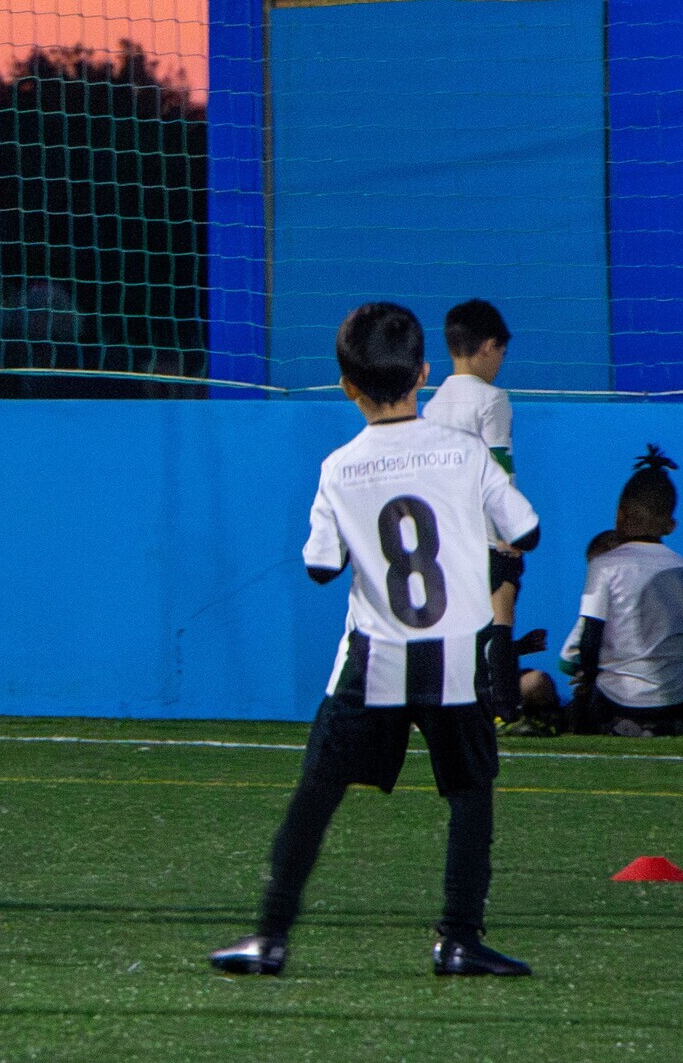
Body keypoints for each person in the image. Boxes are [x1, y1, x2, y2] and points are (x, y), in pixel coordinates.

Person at [210, 301, 541, 981]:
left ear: (346, 386)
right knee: (470, 792)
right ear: (423, 373)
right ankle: (459, 938)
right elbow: (525, 529)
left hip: (375, 657)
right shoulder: (466, 452)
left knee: (317, 792)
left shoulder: (339, 466)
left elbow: (321, 565)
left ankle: (270, 936)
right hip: (456, 653)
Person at [421, 300, 525, 719]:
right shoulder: (492, 398)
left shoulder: (433, 405)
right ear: (487, 347)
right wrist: (510, 527)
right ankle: (503, 707)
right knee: (500, 616)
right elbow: (499, 465)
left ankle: (450, 703)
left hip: (447, 536)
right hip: (486, 532)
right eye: (501, 352)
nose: (500, 362)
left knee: (456, 626)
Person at [557, 449, 683, 736]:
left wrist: (588, 680)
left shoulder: (604, 565)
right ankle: (665, 722)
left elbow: (591, 635)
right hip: (675, 695)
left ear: (620, 515)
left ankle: (620, 722)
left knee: (576, 711)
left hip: (619, 696)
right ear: (670, 525)